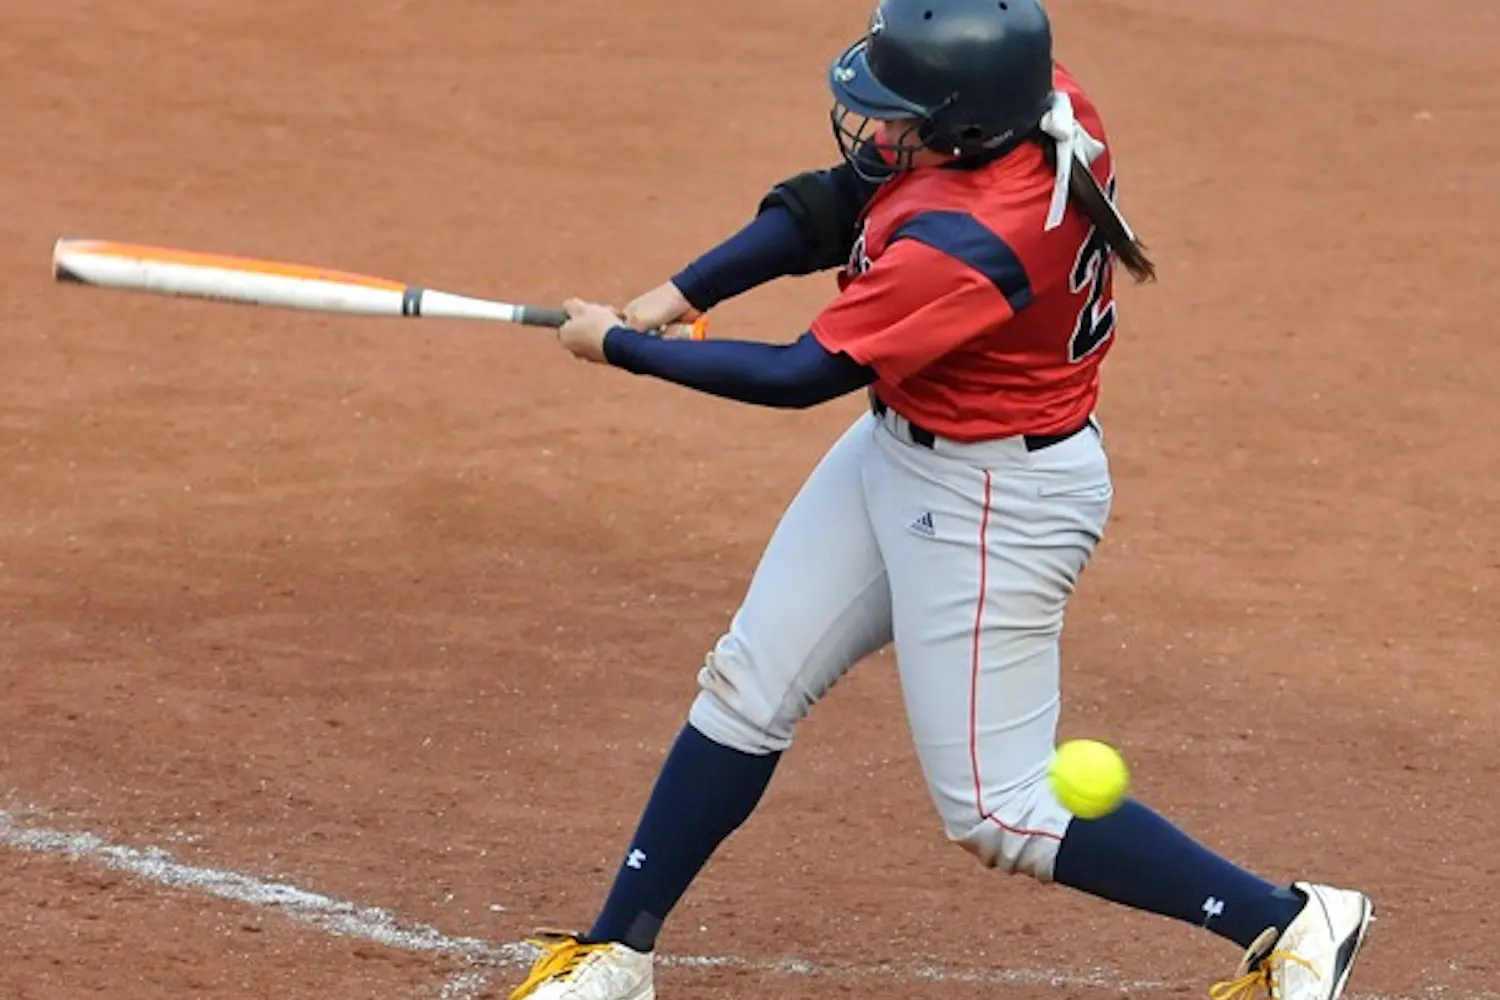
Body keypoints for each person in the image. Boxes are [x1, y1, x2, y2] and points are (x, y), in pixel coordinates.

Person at [511, 2, 1373, 999]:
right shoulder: (1043, 103)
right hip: (902, 448)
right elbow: (841, 198)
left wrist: (624, 349)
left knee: (1001, 808)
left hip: (995, 500)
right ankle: (617, 953)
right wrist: (678, 293)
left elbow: (800, 373)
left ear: (964, 124)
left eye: (902, 114)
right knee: (750, 682)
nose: (881, 131)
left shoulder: (977, 240)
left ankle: (1293, 921)